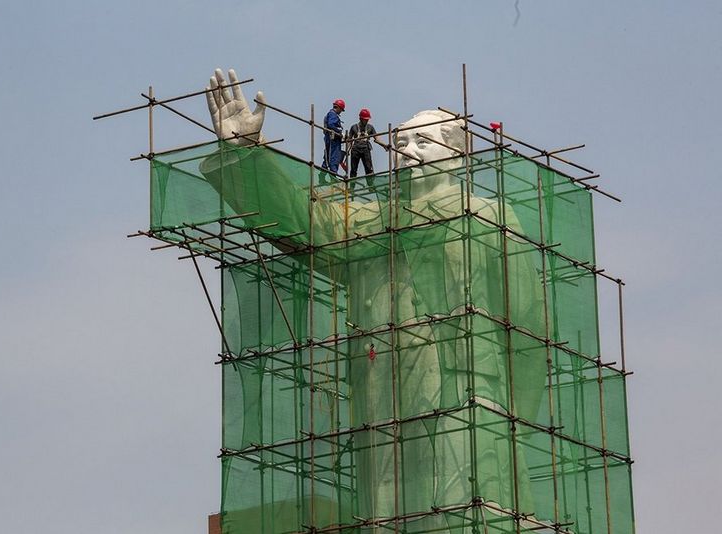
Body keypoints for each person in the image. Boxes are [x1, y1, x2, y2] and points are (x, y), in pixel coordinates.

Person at [202, 68, 547, 532]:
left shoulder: (490, 218)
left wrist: (511, 424)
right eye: (400, 144)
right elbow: (302, 224)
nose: (406, 153)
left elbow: (527, 334)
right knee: (391, 519)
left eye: (422, 143)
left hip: (469, 397)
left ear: (459, 155)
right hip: (385, 404)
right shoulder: (369, 223)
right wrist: (246, 154)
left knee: (473, 514)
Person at [347, 108, 388, 191]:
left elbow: (376, 138)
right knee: (353, 170)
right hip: (355, 149)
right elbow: (349, 140)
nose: (367, 121)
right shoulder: (354, 127)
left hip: (365, 149)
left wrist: (384, 145)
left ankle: (370, 186)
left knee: (369, 168)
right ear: (360, 119)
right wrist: (347, 150)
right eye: (365, 119)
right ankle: (352, 188)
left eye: (367, 119)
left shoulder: (370, 128)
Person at [320, 98, 346, 184]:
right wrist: (340, 132)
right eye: (341, 110)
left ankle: (322, 177)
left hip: (331, 139)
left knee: (327, 157)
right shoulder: (333, 114)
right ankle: (333, 177)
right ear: (338, 107)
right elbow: (331, 124)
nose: (341, 112)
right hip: (333, 140)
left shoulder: (330, 114)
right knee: (334, 157)